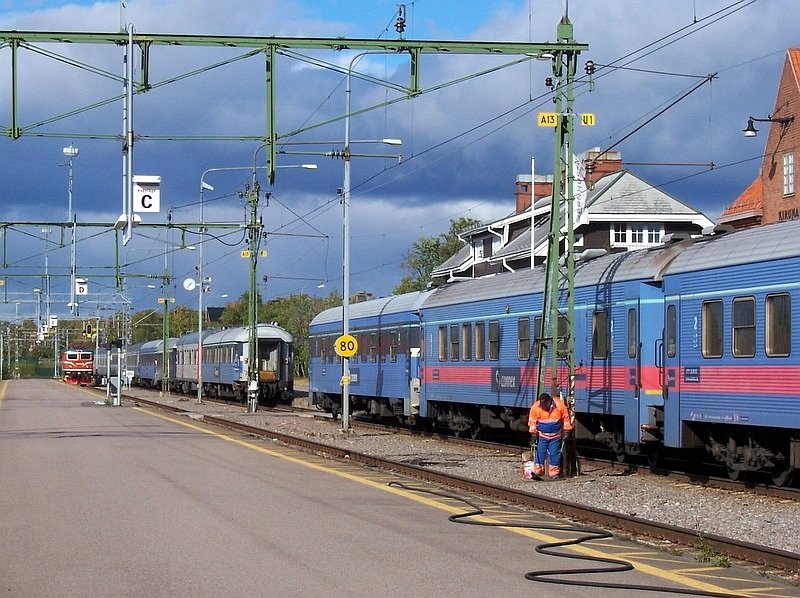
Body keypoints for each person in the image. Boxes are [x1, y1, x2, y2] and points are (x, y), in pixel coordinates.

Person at [528, 391, 573, 480]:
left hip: (555, 436)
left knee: (555, 454)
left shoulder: (559, 405)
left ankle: (554, 473)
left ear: (549, 402)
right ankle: (538, 471)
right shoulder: (536, 407)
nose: (543, 407)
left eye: (545, 405)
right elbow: (532, 421)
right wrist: (533, 433)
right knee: (540, 453)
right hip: (542, 435)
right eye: (542, 405)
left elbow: (566, 418)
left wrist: (567, 431)